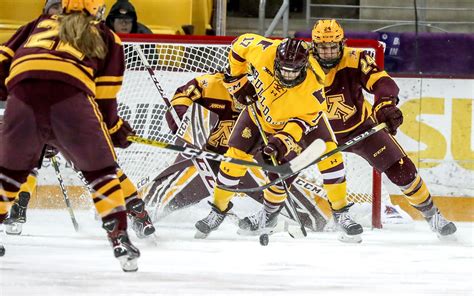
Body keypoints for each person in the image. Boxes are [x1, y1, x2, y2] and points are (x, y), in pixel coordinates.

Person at [0, 0, 140, 271]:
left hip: (23, 96)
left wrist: (12, 96)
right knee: (102, 173)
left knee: (9, 173)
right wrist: (113, 129)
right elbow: (105, 100)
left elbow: (2, 62)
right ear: (97, 9)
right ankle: (119, 237)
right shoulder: (107, 36)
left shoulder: (36, 24)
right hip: (70, 99)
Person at [194, 34, 363, 242]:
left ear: (304, 67)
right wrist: (236, 81)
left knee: (327, 156)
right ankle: (217, 211)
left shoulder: (313, 87)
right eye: (283, 69)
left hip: (300, 122)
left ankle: (340, 213)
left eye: (294, 71)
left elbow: (301, 124)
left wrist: (280, 142)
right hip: (260, 115)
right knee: (233, 160)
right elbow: (239, 45)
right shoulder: (265, 51)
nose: (288, 75)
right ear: (276, 61)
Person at [310, 19, 456, 238]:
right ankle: (272, 212)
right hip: (316, 133)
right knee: (281, 163)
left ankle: (432, 215)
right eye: (323, 47)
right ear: (314, 46)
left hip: (360, 129)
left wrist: (385, 104)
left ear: (342, 44)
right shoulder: (300, 62)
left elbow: (383, 82)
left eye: (333, 46)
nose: (329, 52)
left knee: (402, 170)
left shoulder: (356, 59)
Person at [147, 71, 328, 232]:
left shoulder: (268, 95)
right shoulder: (208, 84)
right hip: (202, 159)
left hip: (244, 162)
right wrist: (180, 115)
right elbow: (181, 96)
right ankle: (138, 212)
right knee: (160, 199)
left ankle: (321, 215)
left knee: (276, 183)